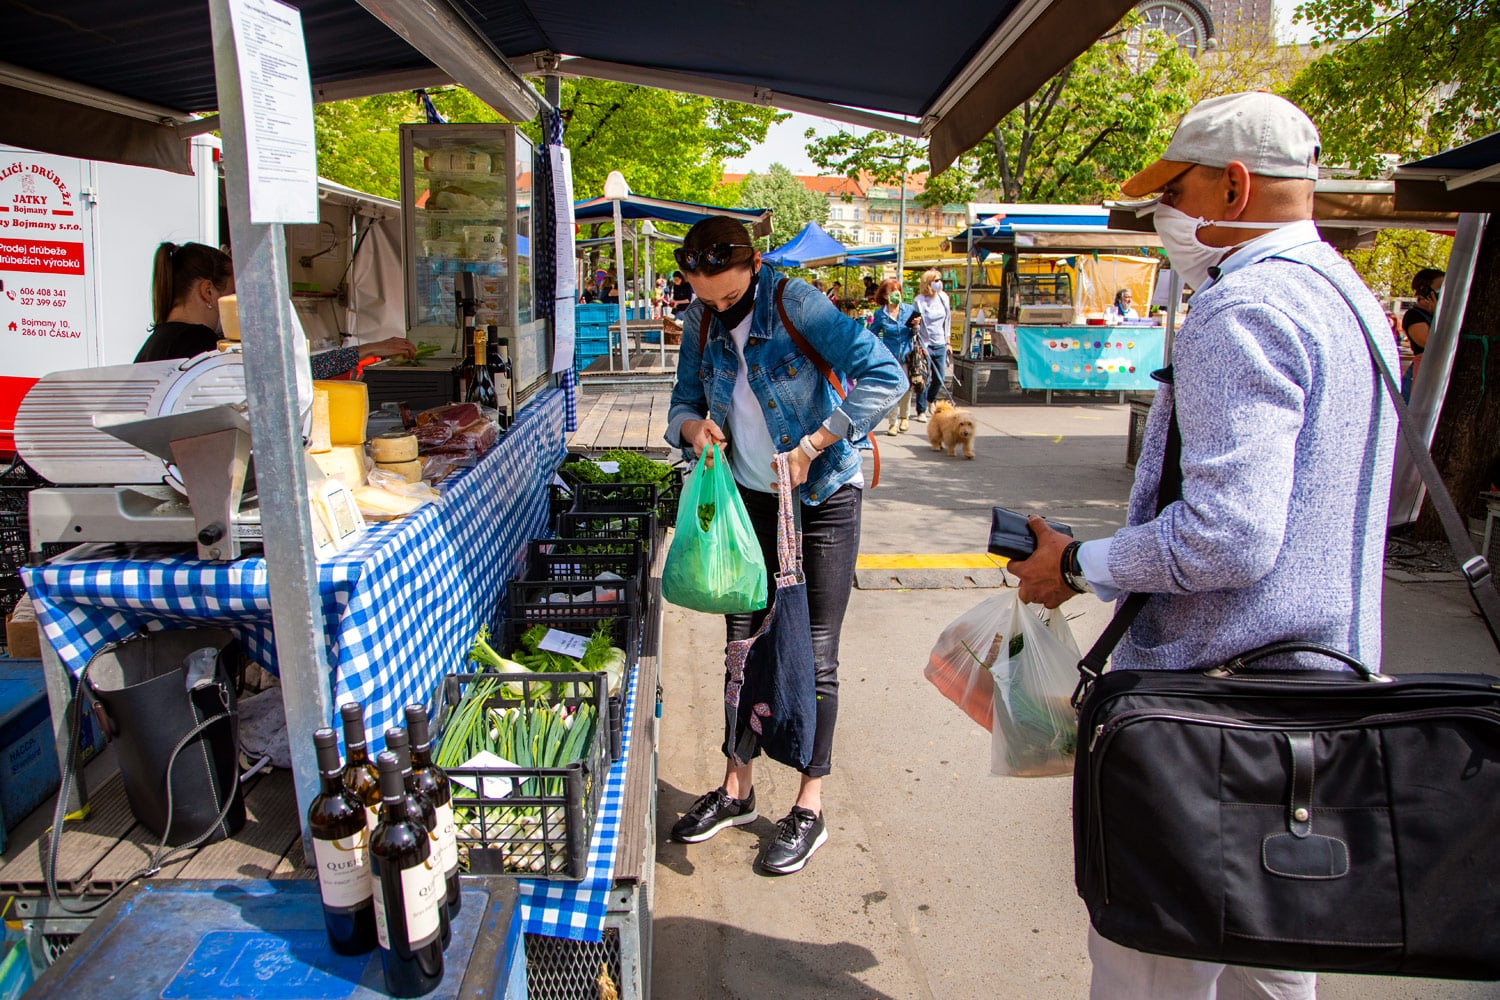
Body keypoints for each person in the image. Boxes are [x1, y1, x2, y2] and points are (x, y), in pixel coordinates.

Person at [1006, 92, 1397, 1000]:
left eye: (1175, 191)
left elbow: (1231, 534)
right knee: (1275, 955)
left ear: (1235, 183)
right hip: (1327, 691)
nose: (1166, 217)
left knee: (1152, 964)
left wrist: (1075, 565)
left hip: (1212, 709)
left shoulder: (1241, 311)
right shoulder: (1354, 301)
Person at [664, 216, 905, 875]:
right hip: (748, 503)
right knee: (741, 646)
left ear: (755, 262)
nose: (715, 308)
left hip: (821, 497)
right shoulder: (701, 320)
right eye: (703, 297)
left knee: (813, 653)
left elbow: (886, 374)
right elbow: (682, 402)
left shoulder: (796, 302)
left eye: (725, 296)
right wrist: (694, 430)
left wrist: (816, 442)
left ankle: (809, 805)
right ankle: (737, 787)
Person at [135, 241, 415, 371]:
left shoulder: (159, 340)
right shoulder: (198, 342)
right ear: (208, 291)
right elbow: (284, 379)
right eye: (233, 293)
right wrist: (366, 349)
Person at [867, 278, 919, 434]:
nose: (896, 296)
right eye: (892, 293)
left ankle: (905, 417)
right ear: (884, 295)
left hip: (907, 355)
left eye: (898, 292)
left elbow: (915, 334)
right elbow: (873, 334)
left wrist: (916, 326)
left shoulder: (909, 310)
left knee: (906, 387)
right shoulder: (880, 314)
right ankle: (893, 422)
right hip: (889, 356)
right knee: (892, 389)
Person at [912, 269, 950, 420]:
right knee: (924, 377)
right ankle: (921, 410)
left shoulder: (943, 298)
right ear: (928, 283)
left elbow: (948, 319)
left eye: (939, 280)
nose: (939, 283)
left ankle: (931, 400)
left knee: (940, 377)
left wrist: (948, 341)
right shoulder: (919, 300)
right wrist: (918, 343)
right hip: (925, 343)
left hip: (940, 342)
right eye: (935, 280)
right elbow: (914, 322)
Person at [1401, 267, 1444, 401]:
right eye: (1439, 291)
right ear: (1425, 291)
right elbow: (1431, 344)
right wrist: (1439, 314)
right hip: (1422, 376)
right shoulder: (1413, 316)